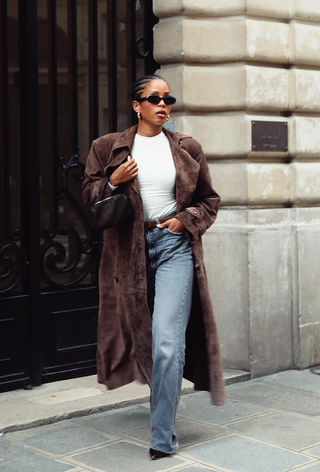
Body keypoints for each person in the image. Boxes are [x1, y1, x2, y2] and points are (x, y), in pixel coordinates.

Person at [82, 74, 225, 459]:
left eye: (168, 99)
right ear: (137, 105)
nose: (163, 105)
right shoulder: (108, 147)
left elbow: (210, 199)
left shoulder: (186, 147)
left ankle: (162, 435)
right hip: (129, 249)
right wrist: (112, 181)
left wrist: (187, 219)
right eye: (154, 98)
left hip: (174, 245)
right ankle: (161, 398)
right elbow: (88, 199)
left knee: (166, 341)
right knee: (142, 336)